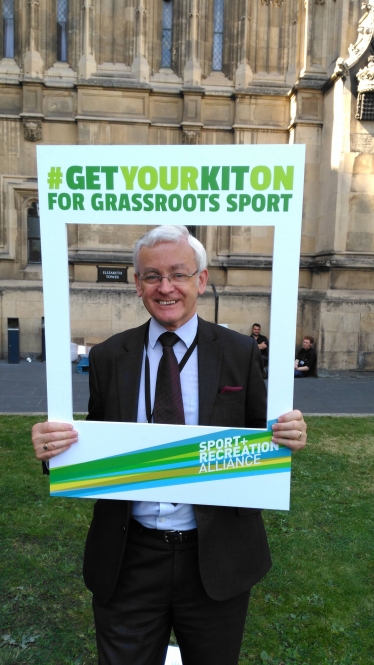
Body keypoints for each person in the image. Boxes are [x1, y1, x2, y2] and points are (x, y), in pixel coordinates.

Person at [32, 226, 307, 665]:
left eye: (178, 274)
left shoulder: (238, 352)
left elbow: (260, 430)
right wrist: (55, 449)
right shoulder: (108, 357)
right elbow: (95, 442)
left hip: (216, 555)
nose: (166, 287)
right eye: (152, 276)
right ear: (137, 283)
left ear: (200, 280)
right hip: (129, 557)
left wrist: (287, 435)